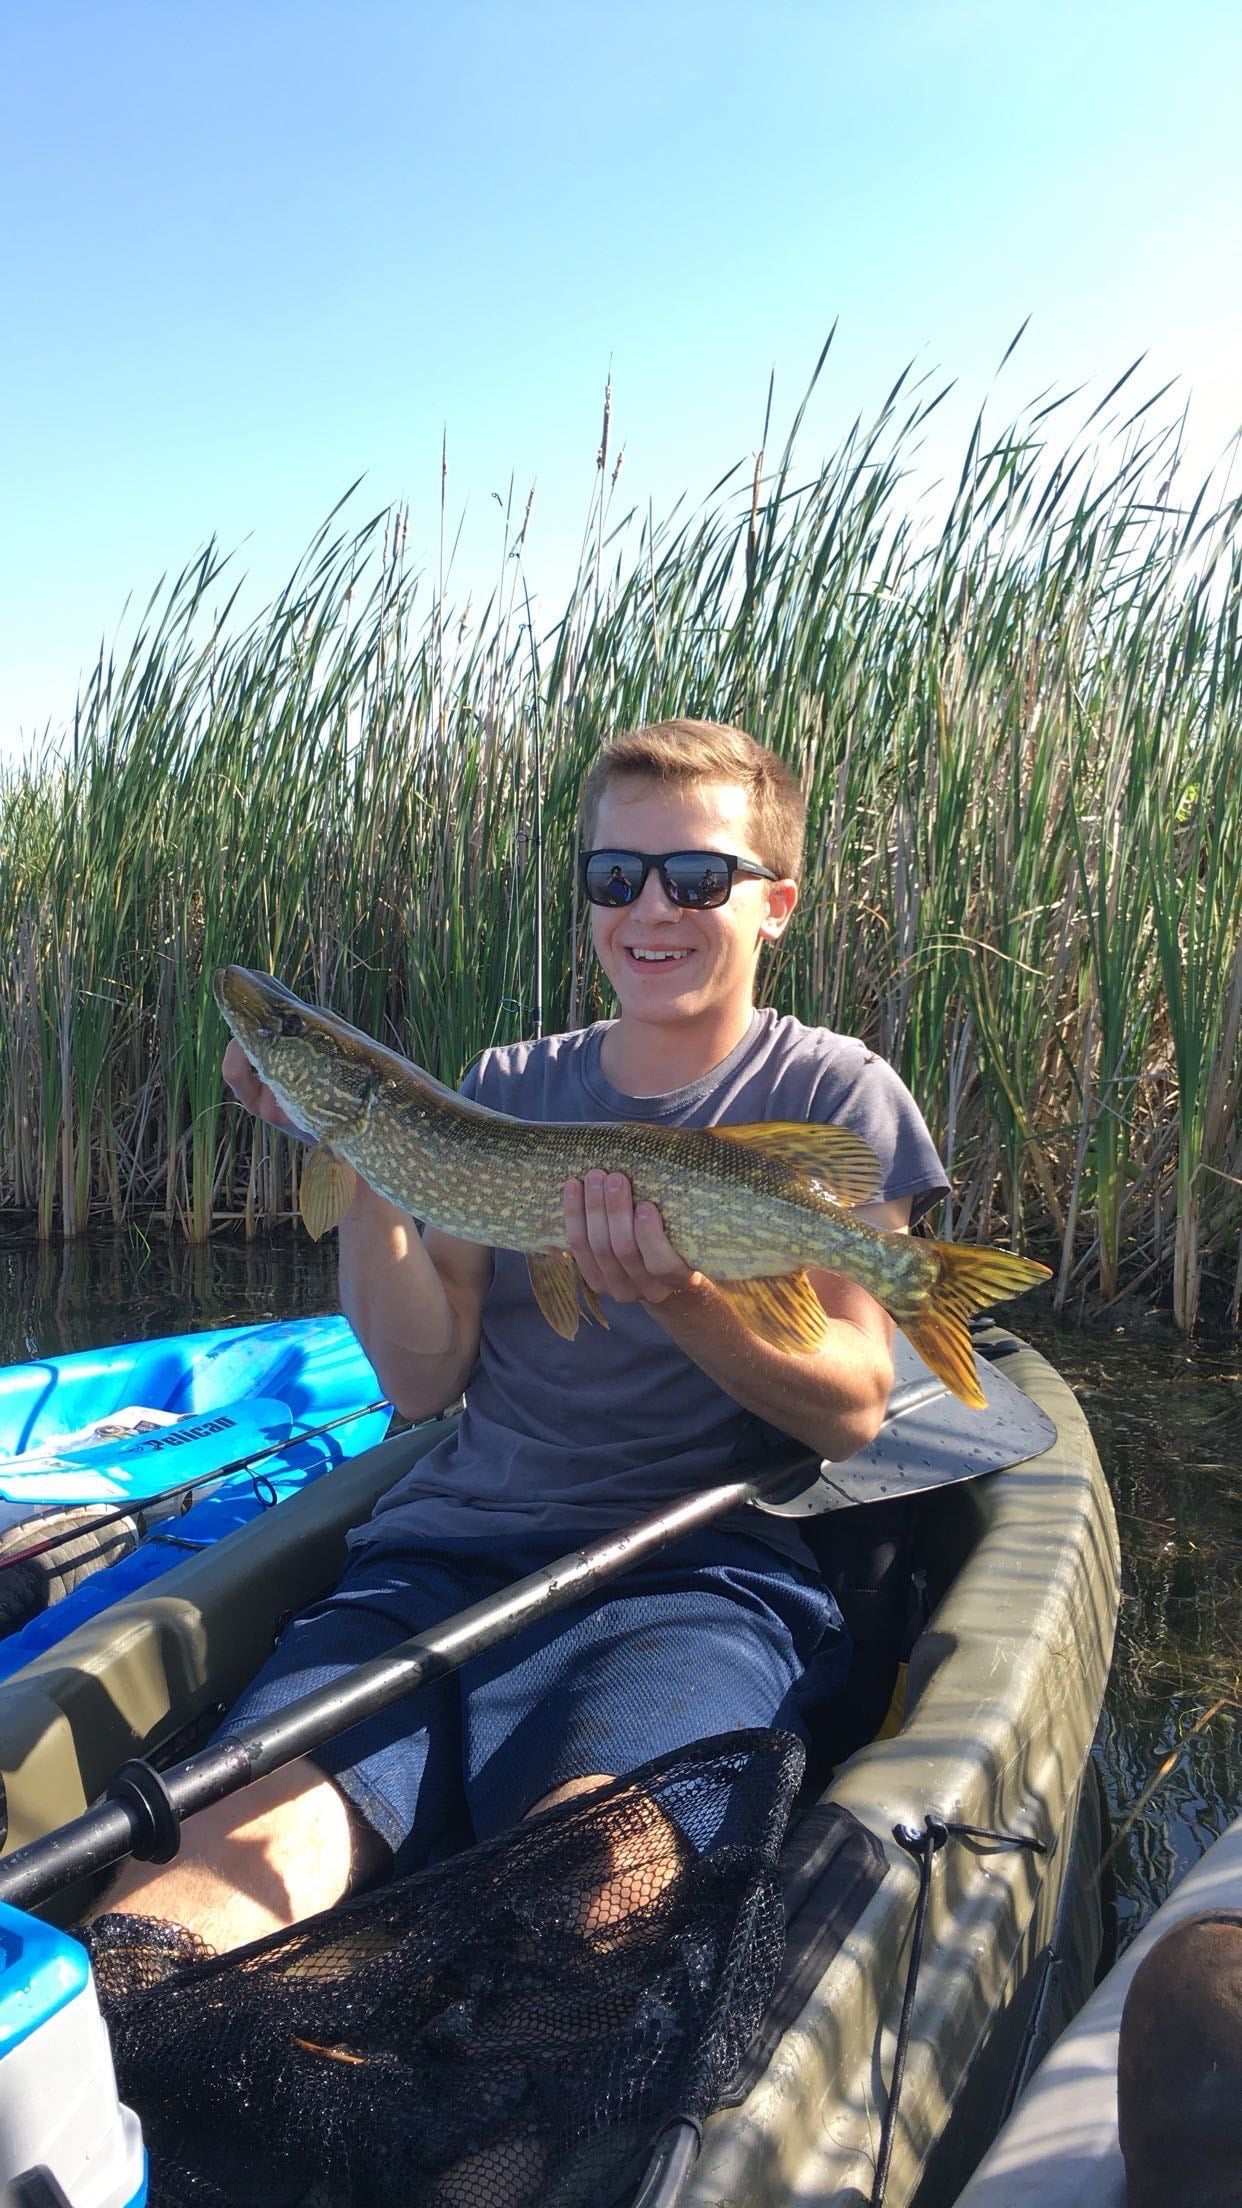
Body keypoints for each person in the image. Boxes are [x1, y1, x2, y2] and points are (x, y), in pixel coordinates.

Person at [93, 717, 947, 1956]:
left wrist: (682, 1293)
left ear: (775, 903)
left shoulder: (831, 1094)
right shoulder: (502, 1084)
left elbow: (853, 1406)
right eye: (617, 877)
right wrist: (371, 1160)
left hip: (692, 1578)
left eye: (696, 876)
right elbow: (425, 1379)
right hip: (440, 1566)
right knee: (171, 1922)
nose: (650, 907)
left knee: (572, 1938)